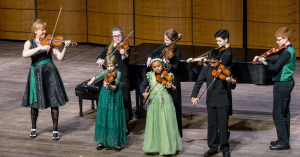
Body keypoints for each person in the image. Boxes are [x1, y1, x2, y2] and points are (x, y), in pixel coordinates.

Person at [21, 19, 71, 140]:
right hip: (36, 73)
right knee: (34, 102)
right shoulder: (29, 43)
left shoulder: (50, 42)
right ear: (35, 31)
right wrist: (40, 48)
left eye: (45, 29)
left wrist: (65, 48)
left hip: (50, 73)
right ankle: (33, 128)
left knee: (53, 101)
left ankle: (55, 129)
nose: (45, 31)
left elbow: (60, 57)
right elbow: (24, 54)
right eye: (42, 29)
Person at [253, 27, 295, 150]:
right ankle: (283, 139)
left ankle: (283, 143)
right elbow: (277, 58)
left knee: (278, 114)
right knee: (284, 113)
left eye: (279, 40)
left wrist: (264, 62)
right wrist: (264, 57)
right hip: (286, 84)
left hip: (282, 85)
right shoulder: (288, 49)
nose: (277, 42)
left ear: (286, 39)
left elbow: (275, 68)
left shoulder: (287, 52)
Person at [191, 49, 234, 157]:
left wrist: (230, 82)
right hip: (210, 102)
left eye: (214, 62)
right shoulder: (206, 69)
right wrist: (194, 96)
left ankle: (225, 148)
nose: (212, 64)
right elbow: (198, 82)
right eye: (210, 62)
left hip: (223, 102)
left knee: (223, 126)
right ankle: (213, 148)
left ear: (220, 60)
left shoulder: (226, 69)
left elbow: (233, 85)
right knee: (212, 126)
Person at [141, 57, 182, 155]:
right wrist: (144, 92)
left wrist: (170, 87)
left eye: (158, 66)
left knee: (165, 124)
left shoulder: (168, 75)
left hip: (165, 102)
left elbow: (173, 88)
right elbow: (142, 85)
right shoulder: (150, 75)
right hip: (154, 102)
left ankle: (166, 148)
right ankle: (154, 147)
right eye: (154, 67)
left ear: (162, 65)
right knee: (155, 124)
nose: (157, 69)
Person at [146, 29, 183, 137]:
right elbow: (152, 53)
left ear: (173, 40)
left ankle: (176, 134)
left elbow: (176, 68)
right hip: (162, 79)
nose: (165, 41)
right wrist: (149, 58)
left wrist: (169, 64)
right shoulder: (163, 47)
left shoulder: (177, 51)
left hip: (173, 80)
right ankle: (163, 132)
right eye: (164, 39)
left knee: (174, 106)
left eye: (167, 40)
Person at [96, 27, 133, 133]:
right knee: (113, 102)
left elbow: (126, 59)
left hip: (122, 77)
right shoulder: (109, 46)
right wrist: (100, 60)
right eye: (115, 36)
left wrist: (122, 54)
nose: (117, 38)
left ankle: (125, 125)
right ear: (112, 37)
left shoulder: (126, 46)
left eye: (119, 35)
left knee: (123, 101)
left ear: (122, 35)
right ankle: (113, 123)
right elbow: (100, 56)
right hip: (111, 77)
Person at [88, 55, 127, 152]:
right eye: (108, 66)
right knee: (103, 116)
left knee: (114, 117)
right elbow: (97, 76)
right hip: (104, 96)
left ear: (115, 65)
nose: (109, 68)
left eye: (111, 66)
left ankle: (117, 143)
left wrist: (109, 85)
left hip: (114, 96)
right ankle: (102, 141)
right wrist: (91, 81)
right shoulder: (105, 72)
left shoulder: (118, 73)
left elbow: (115, 87)